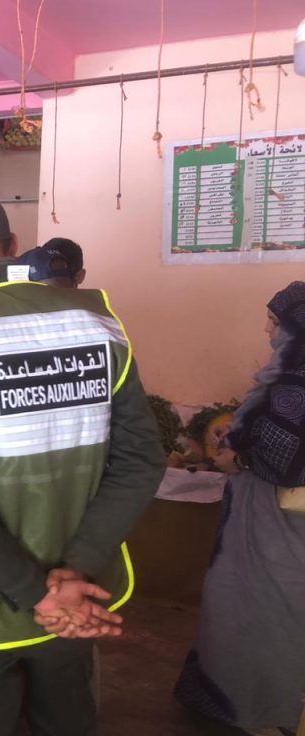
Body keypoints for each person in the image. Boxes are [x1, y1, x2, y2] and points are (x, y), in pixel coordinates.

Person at [0, 195, 165, 735]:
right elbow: (141, 460)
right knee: (66, 718)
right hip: (78, 589)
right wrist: (73, 573)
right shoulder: (95, 320)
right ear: (14, 246)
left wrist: (36, 593)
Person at [174, 281, 305, 734]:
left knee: (264, 610)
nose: (267, 331)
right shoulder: (288, 373)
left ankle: (258, 710)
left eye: (274, 322)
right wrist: (236, 437)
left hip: (278, 524)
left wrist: (239, 458)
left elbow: (288, 461)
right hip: (271, 520)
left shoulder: (295, 382)